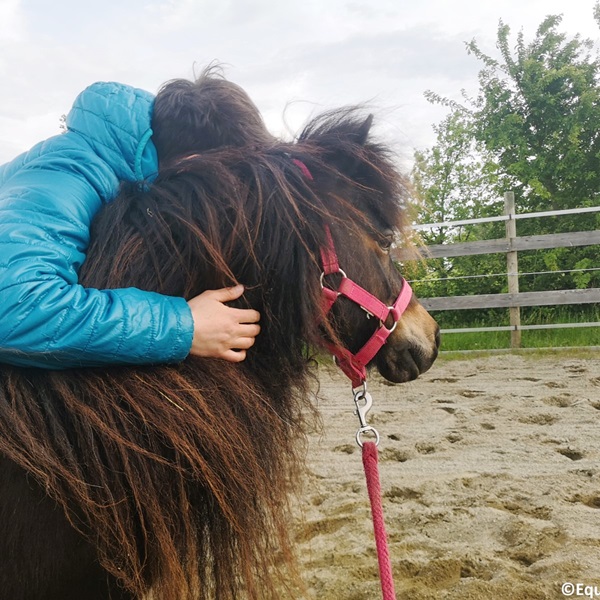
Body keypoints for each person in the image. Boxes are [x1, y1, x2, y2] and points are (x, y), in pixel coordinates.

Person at [0, 69, 267, 369]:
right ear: (192, 166)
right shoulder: (68, 174)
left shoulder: (119, 165)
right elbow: (17, 308)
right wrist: (184, 327)